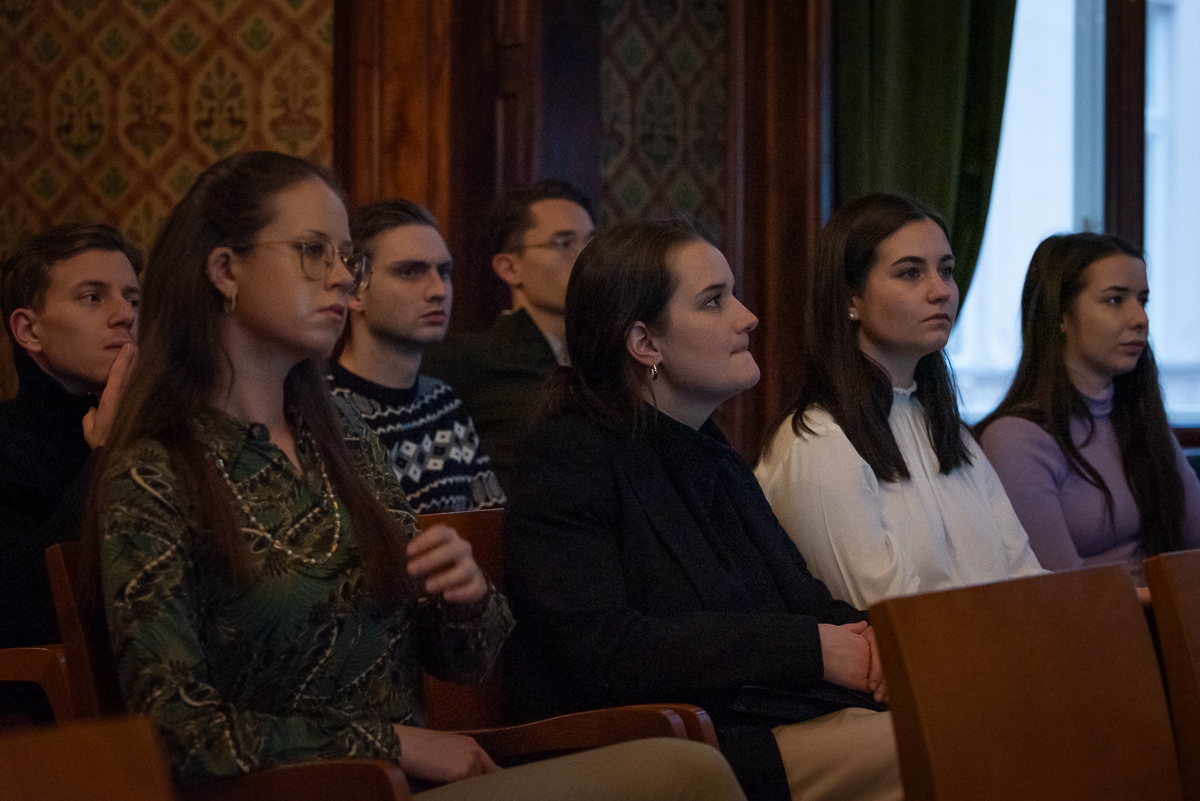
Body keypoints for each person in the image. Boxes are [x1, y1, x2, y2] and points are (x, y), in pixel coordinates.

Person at [87, 151, 744, 801]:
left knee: (687, 766)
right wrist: (390, 743)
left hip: (415, 777)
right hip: (307, 791)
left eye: (347, 257)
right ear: (225, 269)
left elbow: (466, 660)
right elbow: (173, 732)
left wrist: (464, 599)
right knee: (685, 774)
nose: (341, 278)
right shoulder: (155, 471)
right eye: (314, 251)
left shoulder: (341, 432)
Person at [504, 220, 901, 801]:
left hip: (764, 719)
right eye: (714, 301)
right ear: (645, 343)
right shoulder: (568, 456)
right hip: (667, 747)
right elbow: (608, 650)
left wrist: (882, 645)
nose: (748, 317)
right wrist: (811, 650)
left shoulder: (708, 448)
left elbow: (802, 598)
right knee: (935, 744)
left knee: (968, 706)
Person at [755, 193, 1043, 610]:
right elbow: (893, 618)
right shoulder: (818, 442)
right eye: (910, 273)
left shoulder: (950, 432)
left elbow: (1025, 579)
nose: (941, 291)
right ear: (850, 299)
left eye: (946, 271)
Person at [977, 232, 1200, 585]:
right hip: (1099, 616)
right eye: (1115, 300)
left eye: (1142, 300)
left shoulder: (1140, 417)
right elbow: (1066, 592)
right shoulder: (1016, 439)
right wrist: (1165, 597)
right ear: (1060, 316)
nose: (1140, 318)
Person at [0, 224, 139, 719]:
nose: (125, 315)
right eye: (92, 297)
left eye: (132, 299)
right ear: (29, 331)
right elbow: (19, 607)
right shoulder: (8, 444)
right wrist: (107, 457)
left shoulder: (160, 434)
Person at [331, 199, 504, 513]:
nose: (439, 290)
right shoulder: (319, 409)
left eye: (444, 272)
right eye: (410, 272)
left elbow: (487, 525)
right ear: (355, 291)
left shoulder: (443, 403)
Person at [422, 180, 595, 491]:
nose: (587, 259)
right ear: (509, 268)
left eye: (591, 242)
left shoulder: (607, 359)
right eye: (564, 243)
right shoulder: (470, 360)